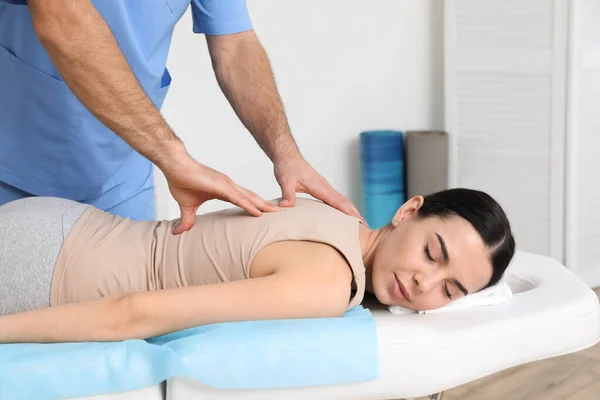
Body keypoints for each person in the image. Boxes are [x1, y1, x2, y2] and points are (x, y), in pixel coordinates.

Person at [0, 0, 363, 231]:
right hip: (11, 158)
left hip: (119, 170)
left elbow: (235, 46)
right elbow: (62, 19)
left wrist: (286, 154)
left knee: (126, 322)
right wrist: (175, 157)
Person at [0, 188, 516, 343]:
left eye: (449, 291)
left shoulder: (336, 213)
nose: (425, 282)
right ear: (407, 212)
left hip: (58, 221)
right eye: (433, 253)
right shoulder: (329, 284)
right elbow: (131, 312)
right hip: (45, 272)